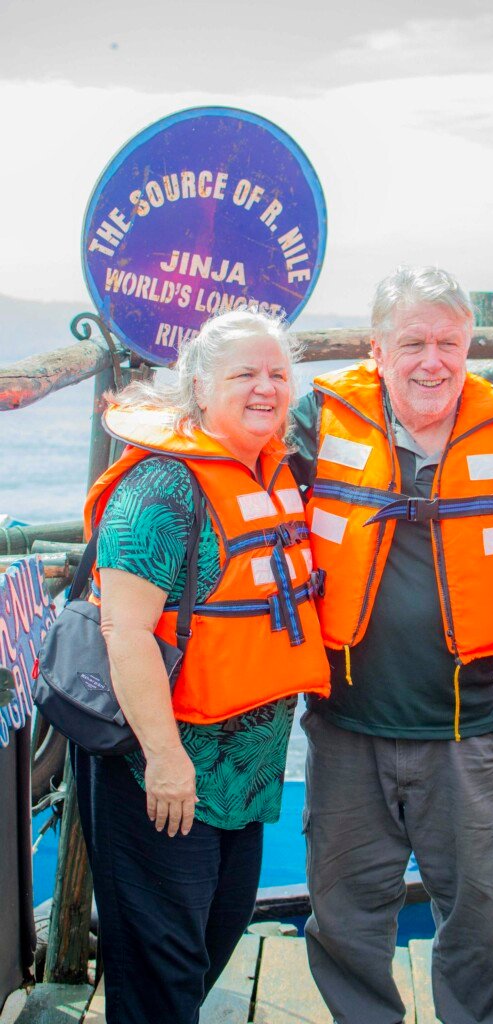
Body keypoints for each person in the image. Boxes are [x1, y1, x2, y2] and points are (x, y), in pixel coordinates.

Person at [289, 265, 493, 1024]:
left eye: (449, 342)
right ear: (376, 348)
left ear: (469, 346)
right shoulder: (318, 422)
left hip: (468, 729)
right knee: (343, 920)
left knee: (478, 923)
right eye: (412, 342)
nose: (432, 360)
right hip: (344, 725)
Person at [71, 309, 330, 1024]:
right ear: (196, 385)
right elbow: (125, 633)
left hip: (243, 768)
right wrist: (165, 759)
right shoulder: (160, 489)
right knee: (160, 967)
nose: (264, 388)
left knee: (212, 938)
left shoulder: (275, 470)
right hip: (159, 766)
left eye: (277, 374)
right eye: (243, 374)